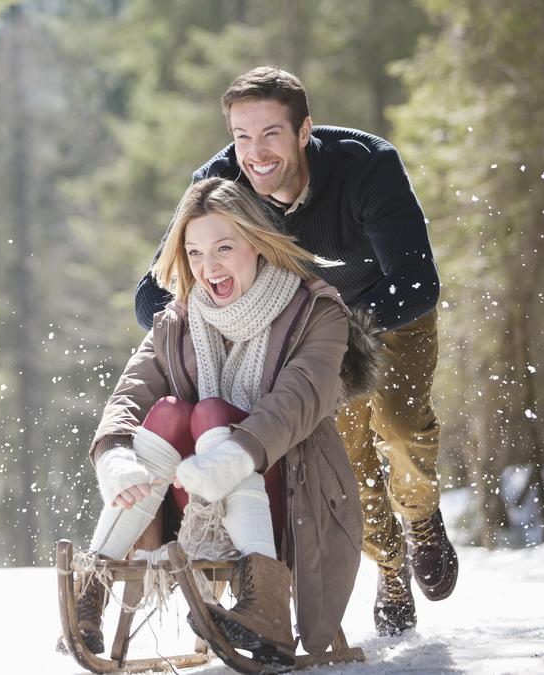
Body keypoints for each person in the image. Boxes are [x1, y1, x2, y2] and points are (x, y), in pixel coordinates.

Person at [134, 66, 457, 636]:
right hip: (309, 333)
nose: (255, 154)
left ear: (304, 131)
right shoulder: (219, 182)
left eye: (271, 135)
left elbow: (416, 282)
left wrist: (339, 327)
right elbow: (152, 293)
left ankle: (422, 517)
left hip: (387, 315)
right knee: (347, 458)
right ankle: (389, 571)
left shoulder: (365, 168)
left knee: (400, 425)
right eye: (241, 136)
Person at [68, 177, 376, 669]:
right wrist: (116, 456)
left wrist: (230, 456)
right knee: (168, 410)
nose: (208, 268)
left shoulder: (315, 313)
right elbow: (132, 390)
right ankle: (93, 588)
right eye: (193, 254)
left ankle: (266, 606)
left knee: (211, 412)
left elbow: (296, 402)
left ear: (256, 242)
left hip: (289, 494)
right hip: (195, 500)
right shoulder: (180, 318)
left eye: (223, 248)